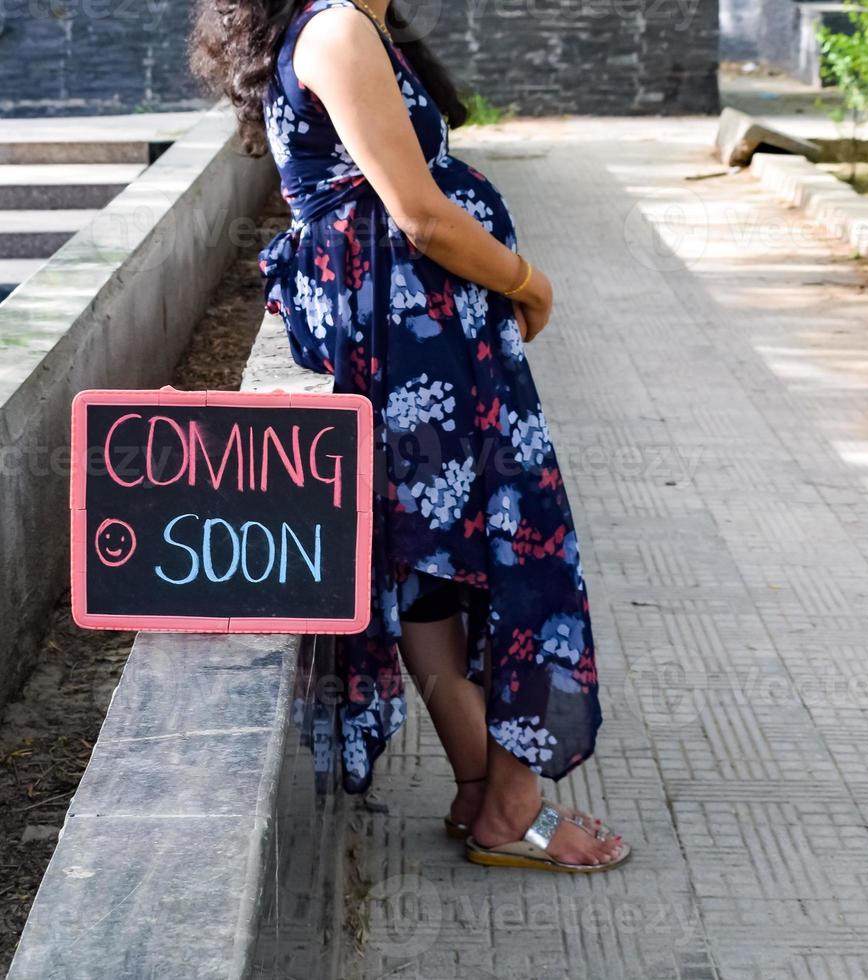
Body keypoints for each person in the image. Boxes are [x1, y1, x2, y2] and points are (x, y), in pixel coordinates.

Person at [190, 0, 629, 872]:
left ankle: (487, 790)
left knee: (427, 560)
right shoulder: (338, 28)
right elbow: (418, 213)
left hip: (409, 329)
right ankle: (509, 801)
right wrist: (530, 284)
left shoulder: (352, 24)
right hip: (404, 335)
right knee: (506, 548)